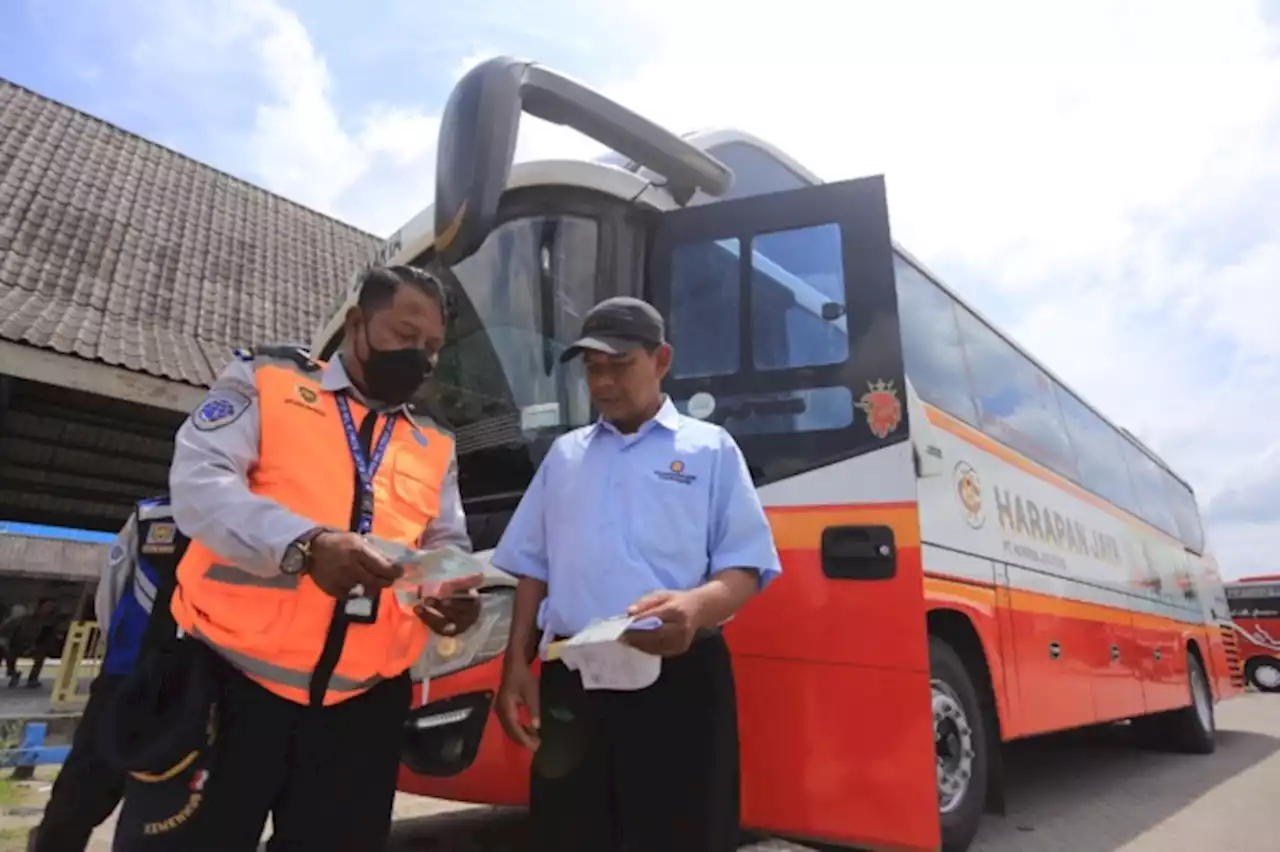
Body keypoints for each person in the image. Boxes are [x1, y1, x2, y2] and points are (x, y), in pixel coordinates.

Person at [109, 265, 482, 852]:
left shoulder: (434, 441)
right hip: (227, 687)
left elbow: (445, 542)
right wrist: (306, 545)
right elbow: (200, 485)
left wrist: (453, 590)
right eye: (405, 336)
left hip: (362, 709)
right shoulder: (268, 379)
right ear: (357, 324)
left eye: (432, 347)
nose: (420, 357)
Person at [492, 296, 783, 852]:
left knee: (680, 833)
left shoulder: (709, 449)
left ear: (662, 360)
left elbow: (746, 566)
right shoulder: (564, 455)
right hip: (572, 679)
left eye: (619, 364)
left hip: (679, 677)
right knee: (569, 834)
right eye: (593, 368)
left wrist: (694, 608)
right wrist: (515, 665)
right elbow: (533, 565)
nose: (603, 383)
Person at [27, 496, 190, 852]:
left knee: (160, 805)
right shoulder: (151, 516)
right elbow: (110, 597)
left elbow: (110, 599)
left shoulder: (242, 521)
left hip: (168, 681)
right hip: (140, 679)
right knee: (84, 793)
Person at [0, 598, 61, 688]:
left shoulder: (51, 623)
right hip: (17, 645)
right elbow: (6, 628)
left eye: (52, 607)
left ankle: (33, 679)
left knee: (41, 652)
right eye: (48, 606)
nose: (50, 609)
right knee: (8, 651)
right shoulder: (24, 619)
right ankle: (13, 673)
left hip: (35, 647)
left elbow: (50, 638)